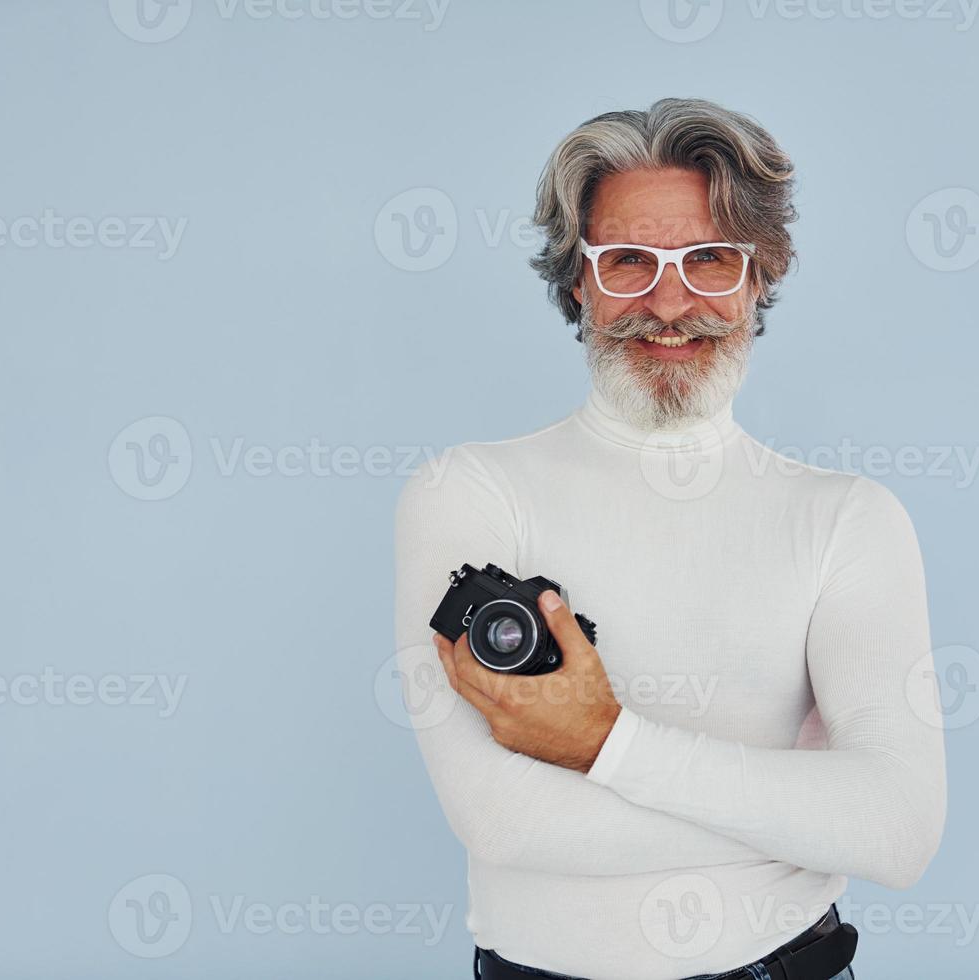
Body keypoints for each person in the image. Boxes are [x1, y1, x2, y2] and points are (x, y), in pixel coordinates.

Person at [392, 97, 946, 980]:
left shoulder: (848, 519)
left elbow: (900, 829)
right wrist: (798, 812)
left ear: (759, 277)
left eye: (710, 259)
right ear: (578, 280)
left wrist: (601, 743)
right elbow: (503, 819)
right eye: (629, 263)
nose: (671, 301)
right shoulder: (470, 492)